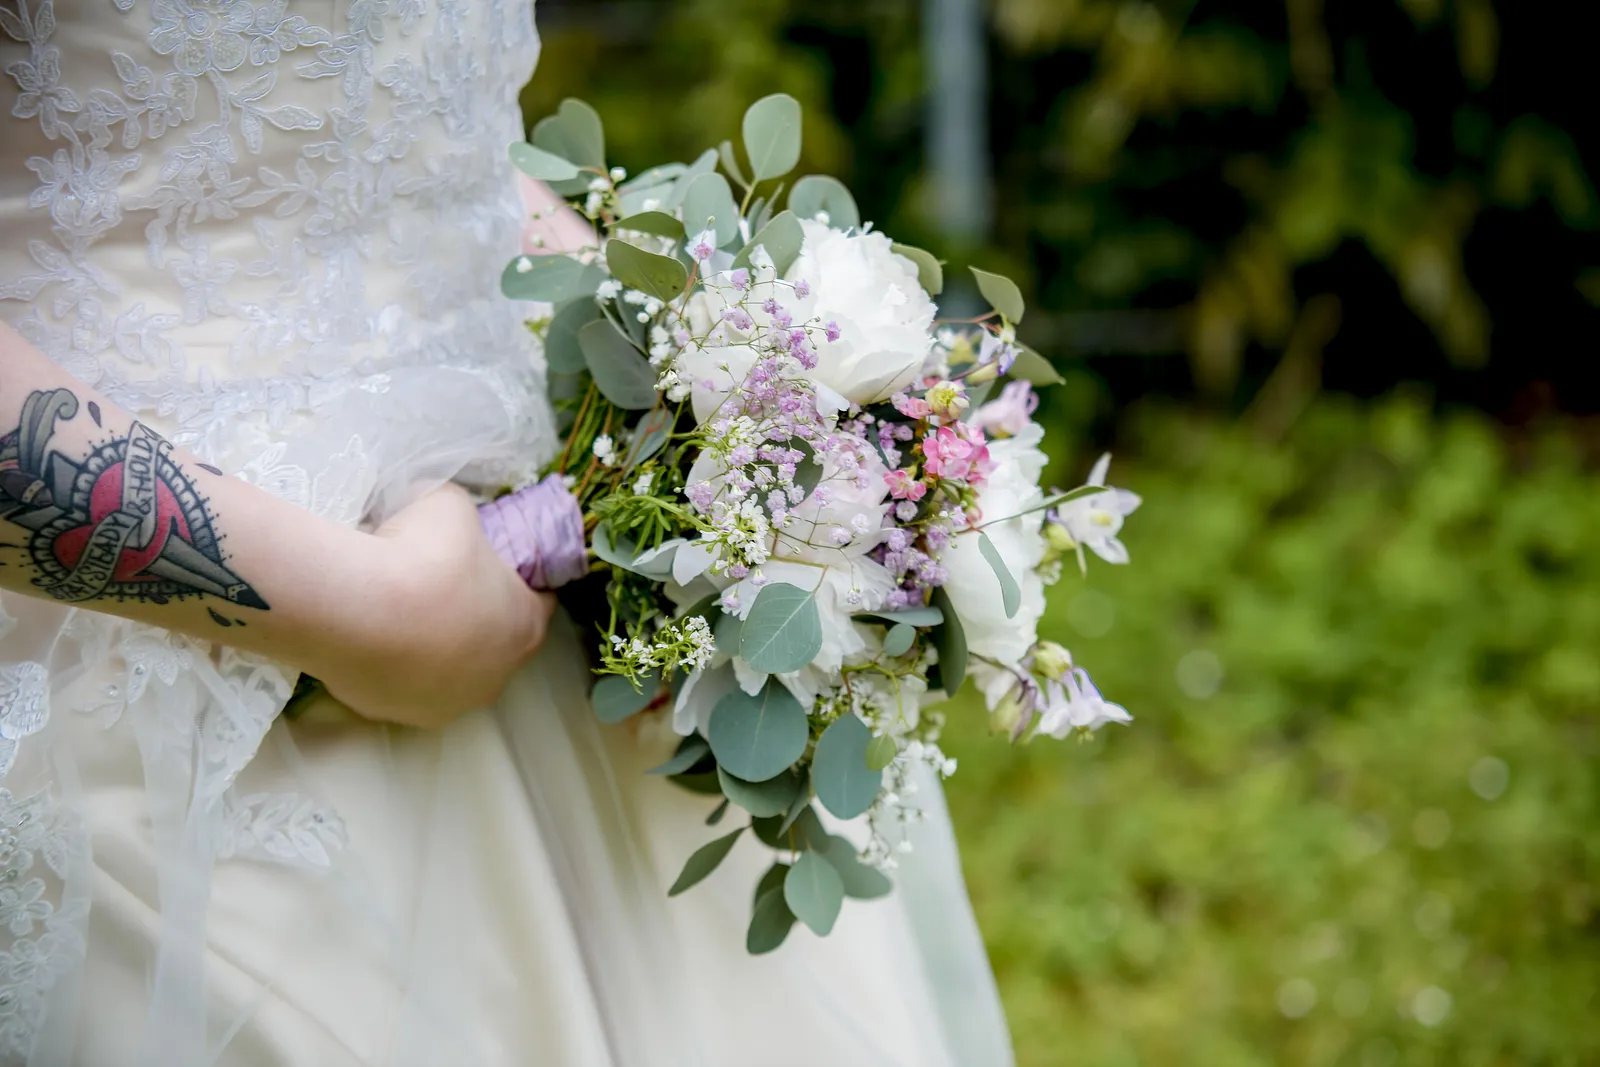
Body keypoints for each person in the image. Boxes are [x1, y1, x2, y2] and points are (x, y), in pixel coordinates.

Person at [0, 2, 1014, 1064]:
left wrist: (682, 360)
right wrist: (371, 611)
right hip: (155, 694)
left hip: (537, 593)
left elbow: (401, 131)